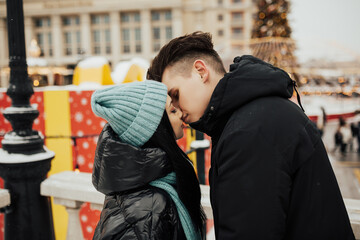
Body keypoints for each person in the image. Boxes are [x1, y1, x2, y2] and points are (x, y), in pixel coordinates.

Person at [147, 32, 355, 239]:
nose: (174, 107)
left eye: (175, 95)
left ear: (201, 71)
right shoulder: (254, 115)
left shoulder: (248, 132)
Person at [91, 80, 205, 240]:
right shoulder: (148, 205)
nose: (180, 113)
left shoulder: (151, 186)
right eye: (172, 110)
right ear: (154, 129)